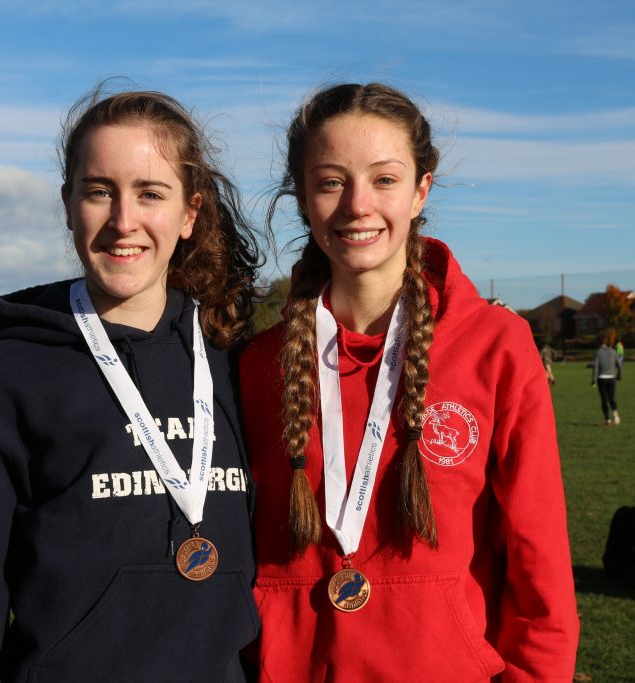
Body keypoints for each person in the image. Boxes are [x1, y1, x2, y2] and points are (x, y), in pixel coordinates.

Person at [239, 83, 579, 681]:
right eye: (331, 181)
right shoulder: (254, 363)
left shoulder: (496, 345)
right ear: (302, 198)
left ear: (421, 190)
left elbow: (538, 555)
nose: (357, 205)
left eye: (384, 179)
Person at [0, 85, 262, 680]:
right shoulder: (9, 376)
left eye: (150, 194)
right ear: (68, 205)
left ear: (190, 213)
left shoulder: (234, 359)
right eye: (98, 192)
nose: (123, 221)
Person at [593, 335, 621, 426]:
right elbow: (619, 365)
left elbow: (596, 367)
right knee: (612, 398)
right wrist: (619, 374)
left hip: (602, 378)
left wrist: (593, 380)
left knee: (604, 400)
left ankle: (607, 420)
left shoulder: (598, 352)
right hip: (612, 378)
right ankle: (616, 415)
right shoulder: (613, 352)